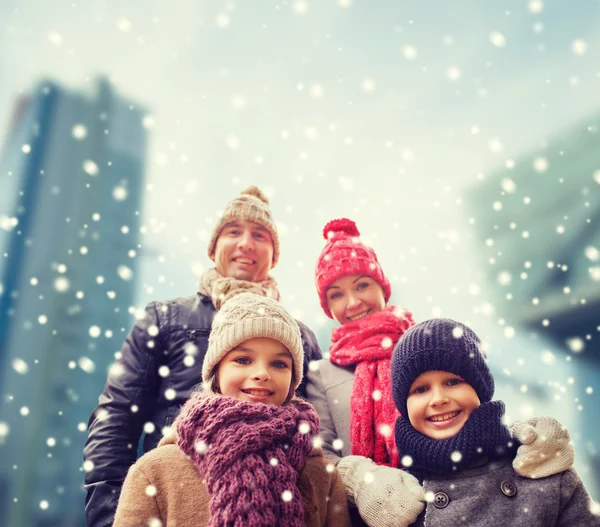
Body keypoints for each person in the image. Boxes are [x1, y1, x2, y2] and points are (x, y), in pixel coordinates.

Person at [307, 218, 576, 527]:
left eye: (362, 285)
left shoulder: (423, 345)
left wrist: (524, 440)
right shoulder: (322, 374)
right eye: (337, 294)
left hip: (444, 491)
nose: (353, 302)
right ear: (327, 306)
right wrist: (362, 480)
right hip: (371, 516)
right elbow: (320, 455)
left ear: (382, 286)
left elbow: (477, 404)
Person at [84, 186, 322, 526]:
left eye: (260, 235)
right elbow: (116, 418)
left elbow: (316, 432)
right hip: (177, 501)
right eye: (233, 231)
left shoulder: (300, 336)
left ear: (273, 254)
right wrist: (113, 517)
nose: (245, 243)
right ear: (214, 248)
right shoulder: (165, 318)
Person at [113, 293, 350, 527]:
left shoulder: (322, 476)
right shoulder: (155, 472)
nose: (262, 373)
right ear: (217, 372)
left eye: (279, 363)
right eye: (243, 360)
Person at [391, 318, 599, 526]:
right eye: (420, 389)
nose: (438, 399)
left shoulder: (541, 470)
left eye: (453, 382)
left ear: (480, 389)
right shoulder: (395, 498)